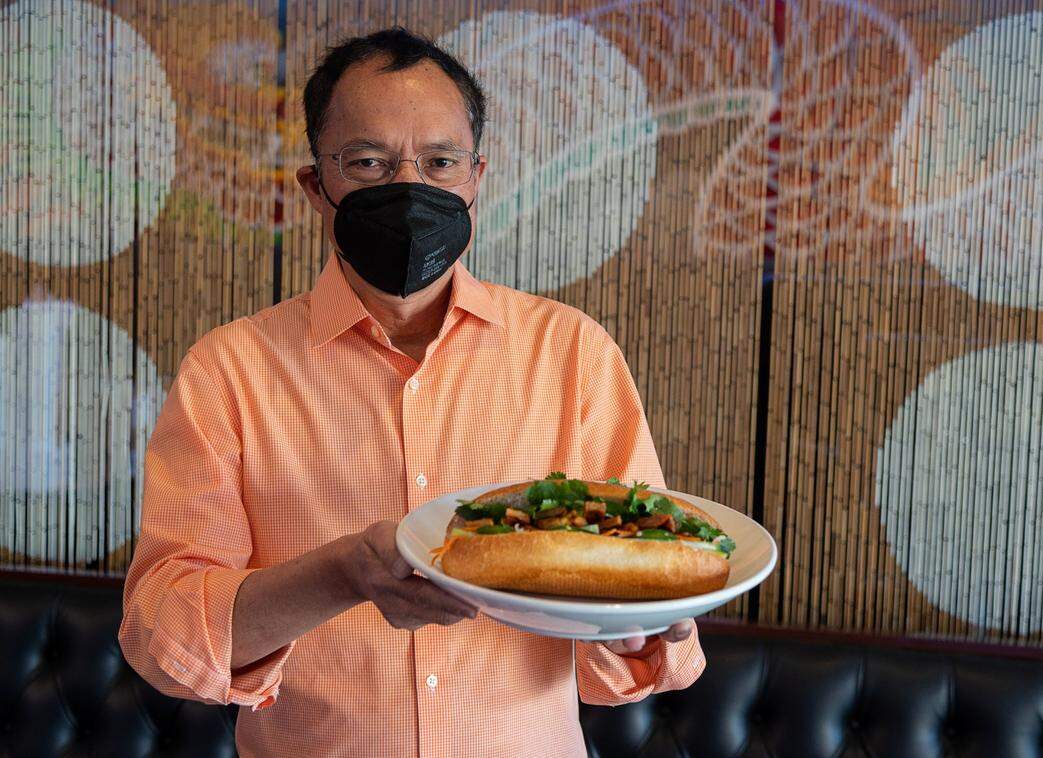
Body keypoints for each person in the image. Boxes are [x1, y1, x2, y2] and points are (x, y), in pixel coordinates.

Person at [119, 27, 705, 757]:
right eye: (368, 162)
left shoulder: (571, 354)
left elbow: (644, 588)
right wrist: (338, 576)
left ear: (476, 178)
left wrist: (652, 618)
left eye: (439, 161)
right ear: (316, 186)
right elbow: (162, 628)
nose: (410, 187)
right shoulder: (229, 371)